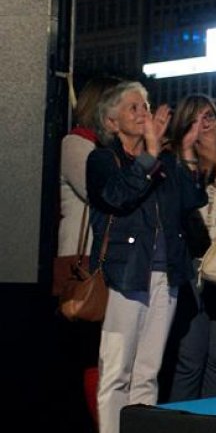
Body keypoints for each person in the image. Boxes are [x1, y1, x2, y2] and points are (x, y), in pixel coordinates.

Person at [86, 81, 207, 433]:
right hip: (126, 274)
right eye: (133, 108)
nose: (144, 113)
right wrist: (150, 154)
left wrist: (182, 150)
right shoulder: (103, 159)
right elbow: (116, 196)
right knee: (116, 371)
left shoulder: (164, 161)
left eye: (146, 106)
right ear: (111, 122)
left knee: (148, 371)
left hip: (165, 275)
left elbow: (192, 200)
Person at [160, 94, 216, 400]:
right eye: (197, 118)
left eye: (210, 116)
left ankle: (213, 420)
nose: (205, 124)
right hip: (191, 266)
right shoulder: (174, 162)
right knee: (190, 359)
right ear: (184, 123)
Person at [55, 75, 119, 432]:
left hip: (107, 264)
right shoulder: (77, 145)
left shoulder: (103, 149)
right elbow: (105, 193)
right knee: (87, 355)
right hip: (82, 265)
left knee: (104, 355)